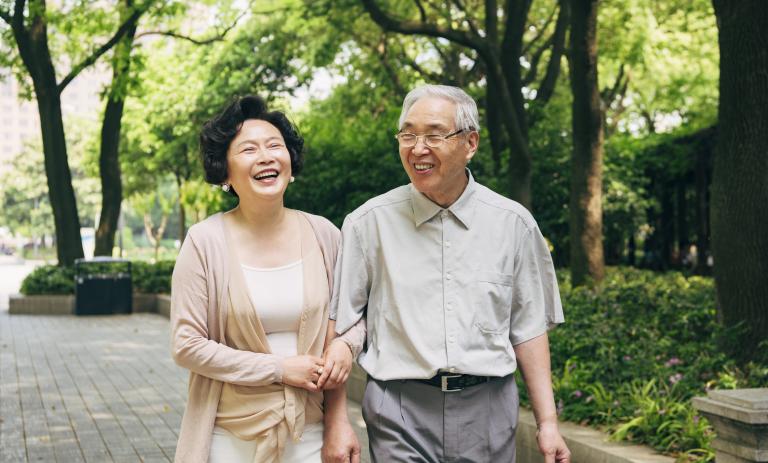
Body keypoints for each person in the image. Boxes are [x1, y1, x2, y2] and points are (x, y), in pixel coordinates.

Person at [331, 85, 571, 462]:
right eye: (408, 134)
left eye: (434, 135)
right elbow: (342, 326)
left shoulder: (514, 224)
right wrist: (336, 423)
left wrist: (548, 423)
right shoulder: (367, 224)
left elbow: (528, 329)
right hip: (399, 408)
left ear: (470, 143)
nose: (418, 148)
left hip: (488, 408)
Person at [170, 95, 361, 463]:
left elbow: (350, 323)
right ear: (224, 172)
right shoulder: (204, 242)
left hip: (312, 432)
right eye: (248, 149)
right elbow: (186, 344)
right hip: (231, 436)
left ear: (290, 165)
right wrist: (279, 369)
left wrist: (340, 411)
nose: (266, 156)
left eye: (275, 146)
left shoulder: (324, 234)